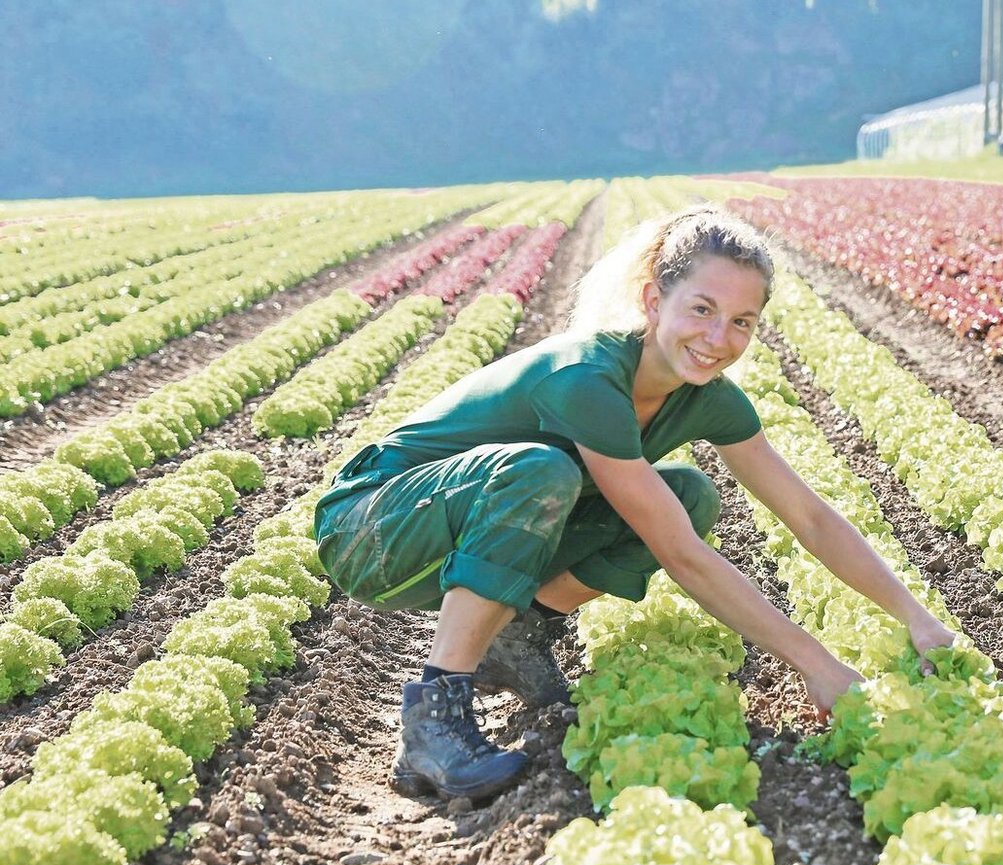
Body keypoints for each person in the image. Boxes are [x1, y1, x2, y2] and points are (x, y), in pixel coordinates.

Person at [313, 205, 956, 801]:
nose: (718, 337)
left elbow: (808, 515)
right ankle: (435, 714)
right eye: (701, 309)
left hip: (463, 532)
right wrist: (818, 665)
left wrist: (915, 616)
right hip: (373, 530)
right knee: (540, 473)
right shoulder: (588, 379)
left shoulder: (708, 397)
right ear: (654, 300)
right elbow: (679, 553)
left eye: (741, 322)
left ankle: (517, 633)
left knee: (689, 494)